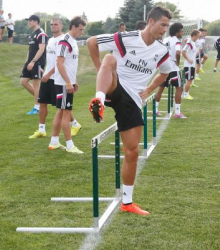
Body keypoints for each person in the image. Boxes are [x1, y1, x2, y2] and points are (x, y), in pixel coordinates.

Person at [87, 6, 173, 215]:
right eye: (163, 25)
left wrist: (150, 88)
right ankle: (98, 99)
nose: (165, 30)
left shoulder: (162, 50)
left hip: (133, 99)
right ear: (151, 22)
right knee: (109, 59)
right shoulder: (126, 37)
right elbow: (92, 42)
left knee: (133, 150)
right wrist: (100, 68)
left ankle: (127, 202)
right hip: (115, 86)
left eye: (167, 26)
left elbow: (165, 73)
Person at [29, 18, 82, 139]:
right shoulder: (50, 40)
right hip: (47, 77)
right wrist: (46, 72)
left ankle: (74, 124)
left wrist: (49, 74)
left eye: (56, 24)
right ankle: (41, 129)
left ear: (62, 26)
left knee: (62, 106)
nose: (53, 26)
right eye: (51, 25)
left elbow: (60, 62)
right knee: (42, 102)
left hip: (56, 78)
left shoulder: (63, 40)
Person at [48, 16, 86, 154]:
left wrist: (74, 80)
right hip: (63, 84)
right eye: (80, 29)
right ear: (73, 27)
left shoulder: (73, 41)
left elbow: (71, 65)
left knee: (60, 111)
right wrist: (68, 82)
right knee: (66, 113)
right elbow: (59, 63)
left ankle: (54, 141)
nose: (82, 32)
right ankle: (70, 146)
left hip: (67, 82)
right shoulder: (64, 42)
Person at [155, 22, 186, 118]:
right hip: (173, 68)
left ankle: (155, 109)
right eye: (181, 30)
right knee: (179, 88)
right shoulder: (177, 41)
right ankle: (177, 112)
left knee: (161, 88)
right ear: (177, 32)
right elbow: (177, 52)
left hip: (164, 67)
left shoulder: (165, 40)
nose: (182, 32)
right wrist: (177, 61)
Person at [20, 15, 48, 115]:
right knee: (23, 82)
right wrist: (27, 61)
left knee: (36, 84)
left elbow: (41, 49)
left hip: (38, 62)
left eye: (30, 21)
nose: (29, 23)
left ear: (36, 21)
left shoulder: (41, 34)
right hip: (30, 62)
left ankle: (37, 107)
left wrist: (33, 62)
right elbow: (30, 49)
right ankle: (41, 100)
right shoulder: (32, 34)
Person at [182, 29, 200, 100]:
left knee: (190, 80)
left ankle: (187, 94)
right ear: (194, 35)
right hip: (188, 65)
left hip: (191, 65)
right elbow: (183, 51)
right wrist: (188, 59)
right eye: (197, 36)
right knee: (189, 80)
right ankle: (185, 95)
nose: (198, 38)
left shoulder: (192, 42)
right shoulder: (189, 42)